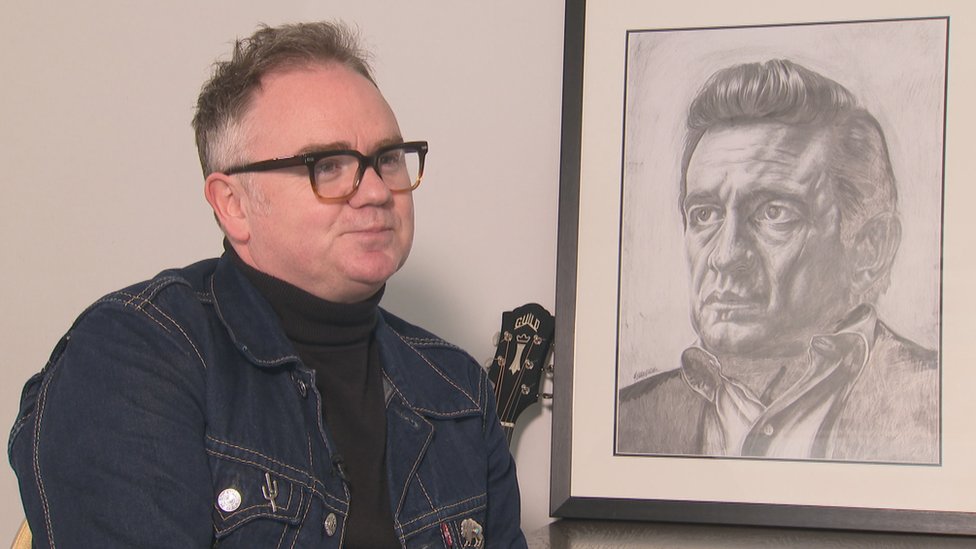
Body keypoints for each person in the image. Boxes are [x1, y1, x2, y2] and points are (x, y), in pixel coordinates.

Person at [9, 21, 526, 548]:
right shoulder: (137, 355)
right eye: (328, 165)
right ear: (233, 205)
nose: (375, 191)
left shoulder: (458, 390)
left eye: (387, 159)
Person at [618, 59, 939, 463]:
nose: (726, 256)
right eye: (705, 214)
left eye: (774, 213)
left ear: (870, 249)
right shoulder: (629, 419)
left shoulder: (940, 407)